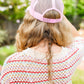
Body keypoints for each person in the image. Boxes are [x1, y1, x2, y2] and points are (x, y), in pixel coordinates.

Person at [0, 0, 84, 84]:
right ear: (61, 22)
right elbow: (79, 39)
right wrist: (58, 15)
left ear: (29, 20)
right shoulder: (69, 57)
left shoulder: (13, 64)